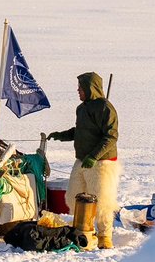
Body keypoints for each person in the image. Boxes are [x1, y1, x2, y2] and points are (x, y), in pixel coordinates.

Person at [43, 72, 120, 249]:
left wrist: (94, 156)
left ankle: (104, 237)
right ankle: (83, 232)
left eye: (81, 88)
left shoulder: (105, 108)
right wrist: (62, 135)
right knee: (77, 196)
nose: (78, 91)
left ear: (90, 88)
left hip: (102, 163)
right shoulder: (82, 108)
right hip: (82, 160)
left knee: (102, 200)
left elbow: (111, 136)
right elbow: (81, 130)